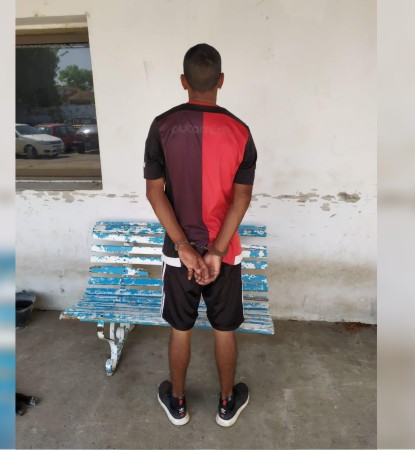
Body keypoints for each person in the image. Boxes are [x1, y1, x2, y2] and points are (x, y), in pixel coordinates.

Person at [143, 43, 257, 427]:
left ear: (183, 81)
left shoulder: (162, 126)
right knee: (224, 329)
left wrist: (183, 247)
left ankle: (177, 403)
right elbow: (242, 198)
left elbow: (154, 193)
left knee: (181, 328)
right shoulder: (241, 131)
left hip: (180, 256)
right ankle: (227, 404)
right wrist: (217, 251)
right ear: (221, 81)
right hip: (225, 253)